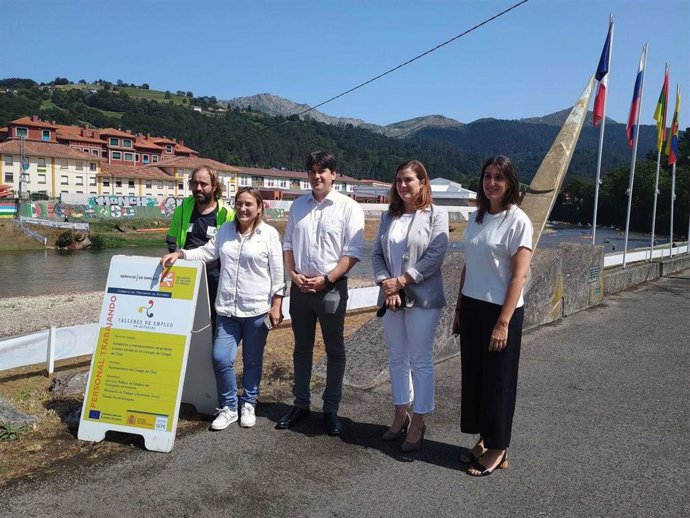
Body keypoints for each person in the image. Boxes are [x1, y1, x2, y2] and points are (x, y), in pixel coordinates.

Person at [161, 187, 285, 430]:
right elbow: (207, 252)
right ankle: (229, 406)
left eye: (249, 204)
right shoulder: (226, 230)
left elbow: (278, 272)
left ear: (259, 207)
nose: (243, 208)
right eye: (239, 203)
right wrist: (181, 254)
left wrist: (277, 304)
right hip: (227, 309)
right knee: (220, 357)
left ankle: (248, 402)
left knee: (252, 360)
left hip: (257, 310)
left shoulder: (268, 234)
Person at [451, 155, 533, 476]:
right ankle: (485, 440)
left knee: (499, 380)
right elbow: (469, 267)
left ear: (510, 182)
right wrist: (458, 308)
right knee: (476, 379)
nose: (492, 182)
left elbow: (518, 276)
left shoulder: (518, 221)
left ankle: (499, 447)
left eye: (499, 177)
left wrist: (503, 322)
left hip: (501, 311)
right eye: (487, 176)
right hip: (471, 306)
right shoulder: (477, 218)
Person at [276, 151, 365, 436]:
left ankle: (330, 410)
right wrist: (293, 275)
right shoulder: (298, 206)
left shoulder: (349, 207)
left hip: (331, 289)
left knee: (334, 349)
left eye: (322, 171)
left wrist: (326, 279)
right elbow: (288, 244)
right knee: (301, 348)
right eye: (312, 171)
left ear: (333, 174)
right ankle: (301, 404)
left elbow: (352, 253)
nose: (317, 176)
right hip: (300, 289)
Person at [372, 159, 449, 452]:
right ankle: (399, 412)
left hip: (423, 297)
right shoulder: (388, 216)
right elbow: (378, 254)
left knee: (420, 360)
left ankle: (419, 420)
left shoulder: (435, 215)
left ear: (422, 183)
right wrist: (386, 284)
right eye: (399, 180)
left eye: (409, 180)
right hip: (391, 298)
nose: (403, 185)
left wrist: (402, 281)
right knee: (396, 358)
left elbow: (435, 255)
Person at [165, 166, 234, 331]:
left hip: (215, 277)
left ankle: (212, 353)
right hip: (187, 274)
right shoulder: (182, 209)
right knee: (186, 318)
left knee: (215, 319)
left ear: (214, 186)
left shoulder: (227, 214)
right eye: (194, 183)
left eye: (203, 184)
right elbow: (172, 240)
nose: (198, 188)